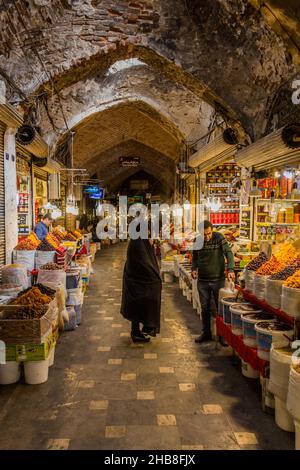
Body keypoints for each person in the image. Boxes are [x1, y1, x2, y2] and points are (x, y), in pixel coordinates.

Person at [192, 220, 235, 343]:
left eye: (209, 233)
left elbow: (228, 253)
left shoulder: (218, 237)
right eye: (204, 235)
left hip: (217, 280)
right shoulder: (197, 241)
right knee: (205, 308)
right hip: (203, 280)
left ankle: (222, 335)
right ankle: (206, 333)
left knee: (219, 308)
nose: (207, 237)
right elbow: (195, 257)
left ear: (212, 230)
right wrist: (194, 268)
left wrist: (230, 269)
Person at [120, 237, 162, 343]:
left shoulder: (139, 243)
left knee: (137, 306)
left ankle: (137, 331)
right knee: (144, 301)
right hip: (136, 281)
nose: (152, 239)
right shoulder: (139, 245)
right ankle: (144, 328)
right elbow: (144, 264)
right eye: (149, 235)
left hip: (135, 280)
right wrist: (155, 277)